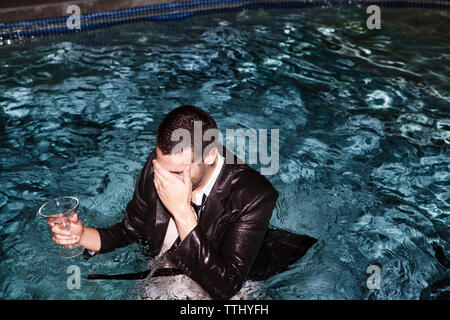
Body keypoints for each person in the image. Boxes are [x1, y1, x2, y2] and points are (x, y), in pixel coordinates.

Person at [48, 105, 279, 300]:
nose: (165, 179)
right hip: (164, 275)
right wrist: (82, 236)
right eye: (161, 168)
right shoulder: (159, 165)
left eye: (178, 172)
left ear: (210, 155)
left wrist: (182, 212)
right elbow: (131, 230)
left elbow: (227, 286)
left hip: (225, 281)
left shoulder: (253, 196)